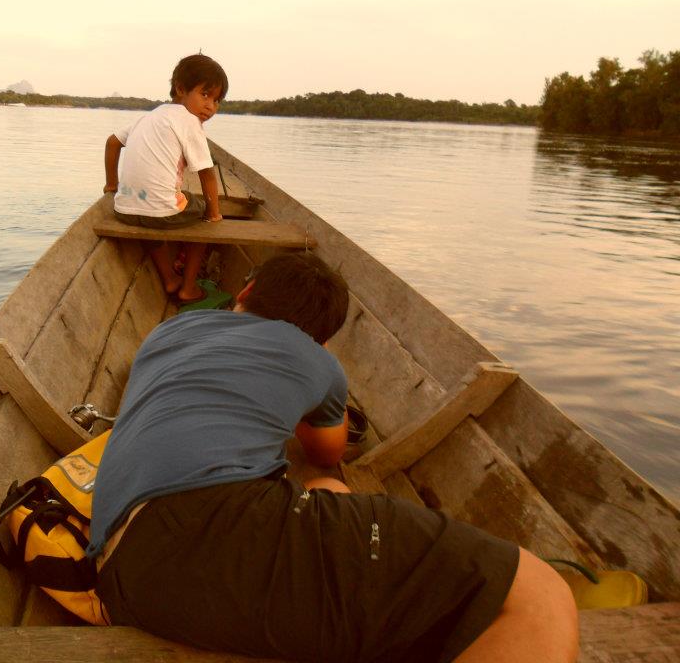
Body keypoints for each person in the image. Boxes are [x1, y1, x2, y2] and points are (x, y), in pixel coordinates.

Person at [87, 252, 579, 663]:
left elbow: (321, 475)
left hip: (122, 572)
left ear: (243, 293)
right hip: (214, 532)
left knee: (330, 493)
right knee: (537, 595)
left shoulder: (168, 333)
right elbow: (326, 450)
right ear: (322, 336)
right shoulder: (318, 360)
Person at [103, 53, 227, 304]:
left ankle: (170, 278)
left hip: (123, 209)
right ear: (180, 89)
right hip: (162, 211)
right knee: (203, 213)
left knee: (154, 214)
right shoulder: (189, 121)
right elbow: (207, 174)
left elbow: (112, 142)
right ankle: (188, 288)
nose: (211, 106)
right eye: (205, 95)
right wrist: (213, 215)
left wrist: (112, 185)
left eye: (217, 100)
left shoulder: (149, 116)